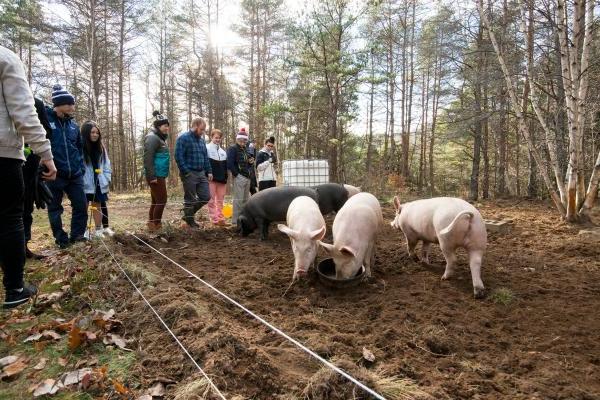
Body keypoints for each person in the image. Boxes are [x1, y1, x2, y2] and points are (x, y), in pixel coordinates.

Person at [0, 46, 57, 309]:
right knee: (10, 217)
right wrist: (45, 153)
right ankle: (15, 288)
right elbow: (23, 112)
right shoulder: (6, 57)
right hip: (3, 155)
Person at [45, 84, 88, 248]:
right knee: (55, 208)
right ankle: (61, 240)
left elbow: (79, 148)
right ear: (59, 104)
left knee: (81, 206)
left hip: (75, 174)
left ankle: (77, 236)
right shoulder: (46, 121)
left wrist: (81, 167)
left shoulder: (74, 126)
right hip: (54, 174)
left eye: (73, 103)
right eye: (69, 103)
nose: (72, 106)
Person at [21, 98, 53, 259]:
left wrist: (43, 157)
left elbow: (46, 130)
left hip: (29, 165)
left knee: (26, 206)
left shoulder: (36, 104)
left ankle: (23, 246)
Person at [175, 118, 213, 229]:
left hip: (201, 172)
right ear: (195, 126)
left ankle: (187, 216)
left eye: (204, 130)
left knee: (206, 196)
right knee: (190, 199)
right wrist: (186, 171)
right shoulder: (183, 138)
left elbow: (205, 157)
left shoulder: (201, 141)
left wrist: (209, 171)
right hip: (189, 173)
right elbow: (178, 156)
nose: (203, 132)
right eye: (201, 129)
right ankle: (190, 221)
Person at [81, 121, 113, 238]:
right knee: (83, 207)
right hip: (85, 183)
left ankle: (99, 230)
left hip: (99, 182)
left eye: (97, 133)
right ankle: (85, 231)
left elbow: (106, 164)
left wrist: (106, 178)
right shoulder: (80, 147)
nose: (95, 135)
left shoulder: (101, 148)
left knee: (97, 206)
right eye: (92, 132)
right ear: (86, 133)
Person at [144, 111, 171, 232]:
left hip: (160, 174)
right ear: (158, 126)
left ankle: (151, 223)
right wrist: (152, 176)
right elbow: (148, 158)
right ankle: (157, 225)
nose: (167, 128)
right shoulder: (152, 138)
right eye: (165, 125)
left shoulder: (159, 138)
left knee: (156, 200)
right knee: (162, 200)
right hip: (156, 175)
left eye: (167, 125)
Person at [227, 128, 253, 227]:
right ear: (237, 139)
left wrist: (250, 162)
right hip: (239, 177)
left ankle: (243, 221)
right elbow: (229, 163)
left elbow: (247, 163)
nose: (243, 141)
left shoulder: (246, 149)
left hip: (247, 177)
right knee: (238, 200)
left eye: (245, 140)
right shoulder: (232, 148)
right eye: (241, 139)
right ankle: (235, 222)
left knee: (245, 201)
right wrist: (236, 174)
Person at [206, 129, 228, 225]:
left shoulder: (223, 152)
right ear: (211, 137)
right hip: (211, 178)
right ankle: (214, 219)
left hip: (221, 180)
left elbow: (225, 166)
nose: (217, 139)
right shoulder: (207, 148)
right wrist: (207, 173)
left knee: (220, 199)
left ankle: (220, 218)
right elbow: (206, 163)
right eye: (216, 137)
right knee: (211, 199)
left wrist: (226, 176)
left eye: (219, 138)